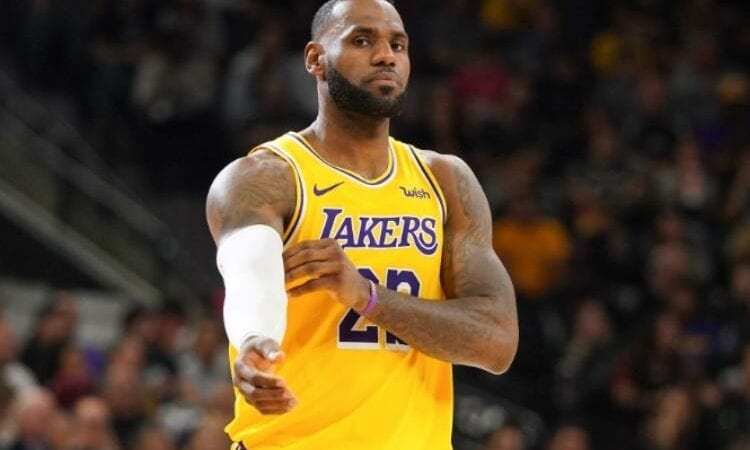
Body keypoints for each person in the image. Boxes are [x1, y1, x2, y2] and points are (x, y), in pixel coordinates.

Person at [205, 0, 519, 448]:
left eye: (398, 44)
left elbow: (497, 342)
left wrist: (367, 297)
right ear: (315, 59)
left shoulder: (445, 180)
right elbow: (248, 274)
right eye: (362, 40)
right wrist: (255, 338)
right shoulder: (266, 176)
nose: (385, 55)